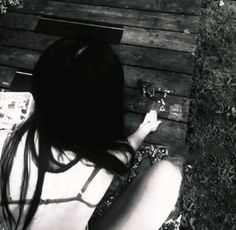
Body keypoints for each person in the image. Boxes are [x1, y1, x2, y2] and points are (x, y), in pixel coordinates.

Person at [0, 38, 183, 230]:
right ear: (107, 112)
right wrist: (144, 129)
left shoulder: (7, 144)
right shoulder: (103, 165)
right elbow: (125, 152)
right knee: (167, 175)